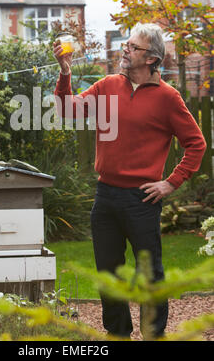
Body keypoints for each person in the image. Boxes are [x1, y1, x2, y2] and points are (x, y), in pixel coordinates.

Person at [53, 22, 206, 339]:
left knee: (149, 273)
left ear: (151, 58)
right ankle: (117, 333)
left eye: (133, 47)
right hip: (105, 196)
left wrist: (171, 183)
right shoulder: (108, 85)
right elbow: (67, 111)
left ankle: (154, 334)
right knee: (109, 272)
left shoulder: (168, 98)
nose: (125, 49)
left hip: (142, 200)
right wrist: (65, 71)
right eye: (126, 44)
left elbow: (197, 144)